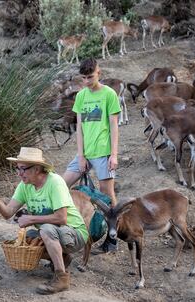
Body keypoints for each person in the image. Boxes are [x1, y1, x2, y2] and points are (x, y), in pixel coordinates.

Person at [0, 147, 89, 295]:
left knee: (46, 229)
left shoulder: (55, 182)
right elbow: (7, 213)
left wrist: (31, 218)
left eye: (23, 169)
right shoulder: (25, 186)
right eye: (18, 168)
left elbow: (62, 218)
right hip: (57, 232)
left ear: (37, 169)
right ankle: (62, 256)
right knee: (30, 236)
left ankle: (61, 278)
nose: (19, 173)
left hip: (75, 233)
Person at [62, 58, 121, 254]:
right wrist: (81, 156)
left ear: (99, 73)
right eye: (84, 77)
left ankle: (112, 237)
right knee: (62, 186)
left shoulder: (109, 94)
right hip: (85, 152)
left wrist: (114, 155)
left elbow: (114, 126)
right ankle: (69, 229)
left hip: (103, 152)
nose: (87, 80)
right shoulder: (81, 96)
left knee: (107, 197)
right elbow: (79, 127)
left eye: (91, 76)